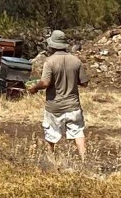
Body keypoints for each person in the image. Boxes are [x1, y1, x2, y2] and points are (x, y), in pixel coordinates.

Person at [28, 30, 89, 161]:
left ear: (52, 46)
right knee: (78, 133)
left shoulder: (49, 62)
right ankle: (85, 160)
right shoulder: (76, 61)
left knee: (51, 135)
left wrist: (34, 88)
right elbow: (84, 83)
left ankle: (52, 162)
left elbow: (45, 83)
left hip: (54, 107)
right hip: (73, 106)